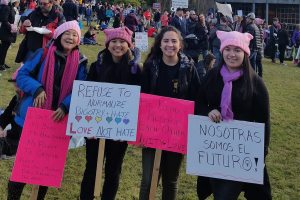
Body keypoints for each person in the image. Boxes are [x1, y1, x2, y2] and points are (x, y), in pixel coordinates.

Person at [9, 20, 87, 200]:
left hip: (57, 120)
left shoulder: (81, 61)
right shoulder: (43, 53)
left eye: (75, 35)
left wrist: (66, 105)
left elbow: (80, 88)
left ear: (78, 40)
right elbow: (22, 75)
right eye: (67, 33)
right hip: (31, 117)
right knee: (24, 165)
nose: (71, 37)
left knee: (47, 169)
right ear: (59, 35)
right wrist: (37, 88)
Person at [196, 31, 272, 200]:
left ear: (245, 53)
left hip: (242, 152)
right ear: (222, 51)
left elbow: (264, 121)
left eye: (237, 50)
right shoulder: (212, 76)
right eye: (228, 49)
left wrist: (261, 153)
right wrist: (208, 111)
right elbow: (198, 103)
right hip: (215, 150)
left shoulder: (255, 82)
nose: (232, 54)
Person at [139, 26, 200, 200]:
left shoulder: (189, 67)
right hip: (152, 131)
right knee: (148, 179)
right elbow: (141, 97)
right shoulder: (151, 66)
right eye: (166, 40)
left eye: (174, 41)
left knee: (170, 181)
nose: (170, 45)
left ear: (180, 44)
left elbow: (197, 98)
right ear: (159, 44)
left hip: (177, 133)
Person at [80, 27, 141, 200]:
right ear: (107, 44)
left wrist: (127, 129)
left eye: (122, 42)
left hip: (119, 132)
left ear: (129, 45)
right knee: (92, 167)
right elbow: (87, 97)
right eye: (114, 41)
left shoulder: (134, 70)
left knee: (113, 169)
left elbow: (138, 101)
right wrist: (87, 125)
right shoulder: (97, 66)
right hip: (95, 128)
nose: (118, 45)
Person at [0, 69, 23, 160]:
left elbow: (22, 130)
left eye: (17, 85)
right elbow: (6, 114)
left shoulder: (31, 102)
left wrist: (6, 132)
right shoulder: (16, 98)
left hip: (18, 141)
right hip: (10, 136)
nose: (16, 88)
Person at [0, 0, 16, 71]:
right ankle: (1, 64)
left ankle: (2, 62)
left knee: (4, 48)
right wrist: (11, 27)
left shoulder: (10, 7)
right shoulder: (7, 7)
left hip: (8, 30)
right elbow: (4, 19)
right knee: (4, 49)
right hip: (6, 31)